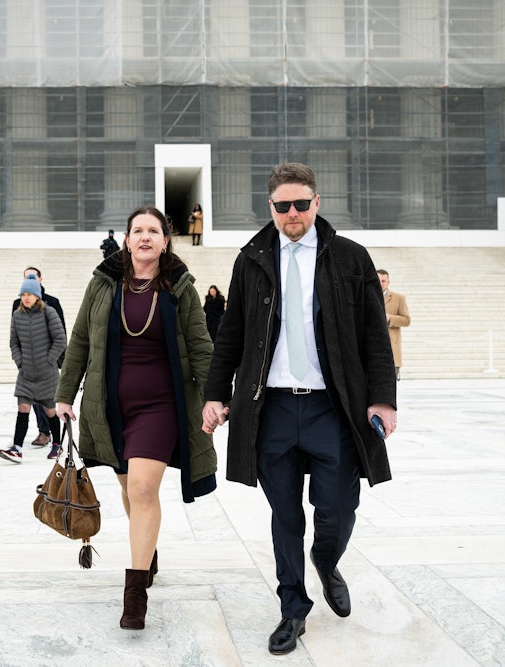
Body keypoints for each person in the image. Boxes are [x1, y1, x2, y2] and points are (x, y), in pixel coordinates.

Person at [201, 162, 396, 656]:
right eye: (282, 205)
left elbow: (376, 334)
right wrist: (215, 394)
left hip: (333, 408)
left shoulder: (350, 258)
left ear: (317, 203)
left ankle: (326, 560)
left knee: (339, 506)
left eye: (301, 204)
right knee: (284, 514)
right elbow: (231, 335)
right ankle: (293, 609)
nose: (292, 213)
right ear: (270, 207)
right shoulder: (252, 258)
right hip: (273, 410)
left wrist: (383, 399)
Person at [55, 205, 217, 631]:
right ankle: (149, 551)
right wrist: (64, 394)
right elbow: (79, 341)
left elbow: (201, 345)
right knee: (129, 488)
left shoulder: (180, 288)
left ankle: (135, 594)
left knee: (144, 488)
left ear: (166, 241)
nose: (145, 237)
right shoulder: (103, 284)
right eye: (137, 230)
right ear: (127, 240)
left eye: (154, 231)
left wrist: (217, 397)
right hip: (110, 409)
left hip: (161, 407)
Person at [0, 275, 66, 462]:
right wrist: (19, 361)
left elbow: (60, 340)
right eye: (23, 294)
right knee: (23, 407)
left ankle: (57, 444)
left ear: (37, 295)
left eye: (29, 294)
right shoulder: (17, 315)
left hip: (47, 373)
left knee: (49, 410)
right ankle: (17, 448)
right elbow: (14, 342)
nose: (26, 298)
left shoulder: (49, 313)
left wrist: (49, 360)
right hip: (26, 373)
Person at [378, 270, 411, 381]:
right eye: (378, 281)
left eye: (383, 281)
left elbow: (406, 320)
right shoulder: (366, 297)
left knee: (390, 389)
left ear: (388, 282)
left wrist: (390, 318)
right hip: (372, 351)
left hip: (392, 350)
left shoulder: (399, 298)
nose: (381, 283)